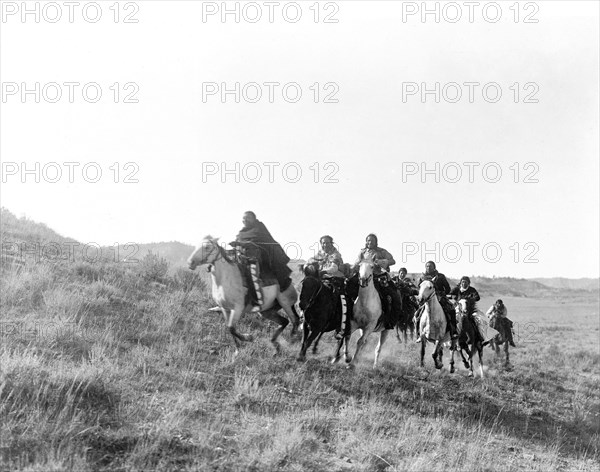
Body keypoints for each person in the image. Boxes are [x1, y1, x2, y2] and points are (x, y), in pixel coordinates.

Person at [230, 211, 292, 312]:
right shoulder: (241, 232)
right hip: (242, 258)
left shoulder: (259, 229)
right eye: (243, 218)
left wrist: (244, 244)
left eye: (248, 218)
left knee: (251, 271)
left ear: (254, 218)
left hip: (259, 259)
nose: (245, 220)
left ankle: (255, 299)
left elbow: (260, 244)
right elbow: (238, 246)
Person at [353, 233, 402, 330]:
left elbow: (392, 260)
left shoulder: (381, 251)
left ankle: (389, 321)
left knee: (394, 296)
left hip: (379, 278)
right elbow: (356, 263)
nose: (370, 242)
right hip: (364, 278)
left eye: (372, 241)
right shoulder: (362, 252)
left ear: (376, 242)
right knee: (348, 291)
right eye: (368, 240)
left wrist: (382, 262)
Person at [307, 235, 347, 339]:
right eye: (323, 243)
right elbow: (312, 259)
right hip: (322, 280)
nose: (325, 245)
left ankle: (341, 327)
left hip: (335, 280)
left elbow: (334, 268)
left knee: (341, 300)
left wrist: (324, 271)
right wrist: (308, 265)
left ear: (331, 243)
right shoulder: (320, 253)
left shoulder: (336, 254)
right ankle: (305, 318)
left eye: (327, 243)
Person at [414, 261, 458, 346]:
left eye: (430, 266)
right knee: (417, 314)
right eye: (427, 266)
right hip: (426, 299)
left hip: (440, 298)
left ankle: (453, 332)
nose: (428, 268)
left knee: (451, 310)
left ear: (434, 267)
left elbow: (448, 289)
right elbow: (419, 288)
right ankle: (419, 334)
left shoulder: (440, 276)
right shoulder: (422, 277)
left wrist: (440, 293)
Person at [450, 276, 485, 341]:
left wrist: (471, 298)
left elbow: (477, 298)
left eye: (465, 282)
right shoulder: (456, 289)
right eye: (462, 282)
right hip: (458, 307)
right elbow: (449, 295)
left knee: (479, 319)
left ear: (468, 283)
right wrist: (453, 297)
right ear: (460, 282)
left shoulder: (472, 289)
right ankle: (452, 333)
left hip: (470, 309)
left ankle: (480, 335)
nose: (464, 284)